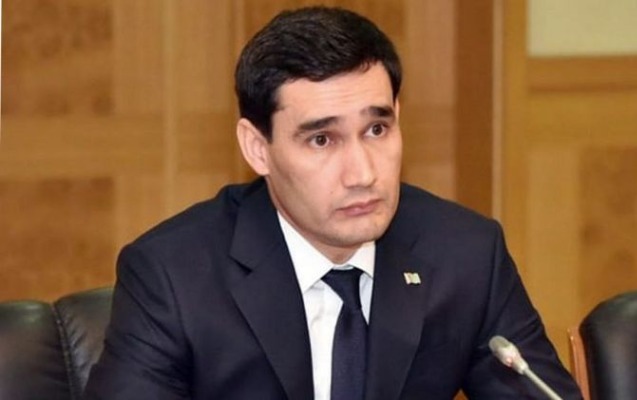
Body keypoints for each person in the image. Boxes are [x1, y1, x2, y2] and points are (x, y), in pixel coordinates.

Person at [83, 6, 582, 400]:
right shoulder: (173, 276)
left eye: (377, 129)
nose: (362, 173)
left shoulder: (465, 255)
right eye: (322, 140)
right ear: (258, 148)